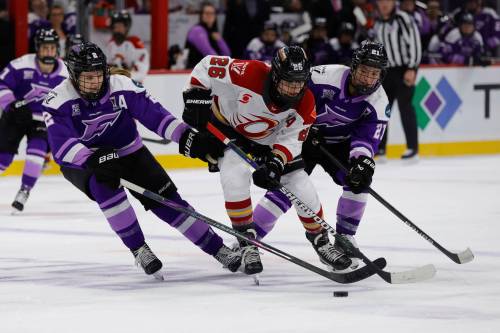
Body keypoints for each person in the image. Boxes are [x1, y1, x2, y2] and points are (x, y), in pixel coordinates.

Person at [41, 41, 242, 279]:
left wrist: (187, 137)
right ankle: (138, 248)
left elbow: (156, 116)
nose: (95, 82)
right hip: (85, 161)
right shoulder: (57, 100)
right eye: (88, 77)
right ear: (73, 76)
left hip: (129, 152)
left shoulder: (122, 86)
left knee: (169, 201)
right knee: (105, 188)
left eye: (98, 75)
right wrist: (91, 159)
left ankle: (218, 249)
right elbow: (61, 146)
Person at [181, 46, 352, 274]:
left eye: (299, 82)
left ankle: (321, 241)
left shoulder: (306, 101)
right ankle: (246, 242)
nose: (294, 89)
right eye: (288, 82)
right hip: (231, 130)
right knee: (235, 174)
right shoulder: (249, 73)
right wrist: (195, 97)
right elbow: (206, 66)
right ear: (275, 75)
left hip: (269, 140)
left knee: (299, 181)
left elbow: (292, 140)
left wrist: (275, 162)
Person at [252, 41, 389, 269]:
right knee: (286, 187)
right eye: (364, 71)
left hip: (338, 145)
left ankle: (344, 239)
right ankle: (249, 238)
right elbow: (291, 99)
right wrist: (300, 126)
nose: (367, 78)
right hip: (302, 139)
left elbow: (365, 140)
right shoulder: (323, 78)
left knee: (358, 181)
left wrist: (362, 162)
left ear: (381, 75)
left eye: (373, 73)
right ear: (353, 67)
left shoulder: (379, 103)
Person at [0, 29, 68, 213]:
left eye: (52, 48)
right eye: (45, 48)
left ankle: (24, 190)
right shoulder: (21, 65)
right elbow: (2, 84)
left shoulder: (66, 75)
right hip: (16, 115)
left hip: (41, 121)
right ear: (38, 49)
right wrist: (11, 105)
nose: (48, 52)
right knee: (3, 160)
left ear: (57, 50)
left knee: (36, 153)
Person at [373, 0, 421, 161]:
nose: (384, 4)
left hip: (404, 69)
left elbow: (415, 43)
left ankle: (412, 148)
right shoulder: (378, 23)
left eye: (387, 1)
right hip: (386, 72)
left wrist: (412, 68)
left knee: (405, 107)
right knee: (381, 109)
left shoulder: (403, 18)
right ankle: (381, 149)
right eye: (380, 1)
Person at [105, 10, 149, 83]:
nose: (118, 29)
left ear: (126, 27)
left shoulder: (135, 43)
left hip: (132, 85)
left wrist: (124, 74)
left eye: (121, 26)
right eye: (116, 26)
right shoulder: (110, 45)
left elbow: (141, 71)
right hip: (115, 85)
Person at [185, 2, 231, 69]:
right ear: (201, 15)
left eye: (212, 13)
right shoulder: (197, 30)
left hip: (208, 72)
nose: (209, 15)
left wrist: (220, 41)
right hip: (195, 72)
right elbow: (208, 53)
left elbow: (227, 54)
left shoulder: (214, 33)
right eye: (206, 13)